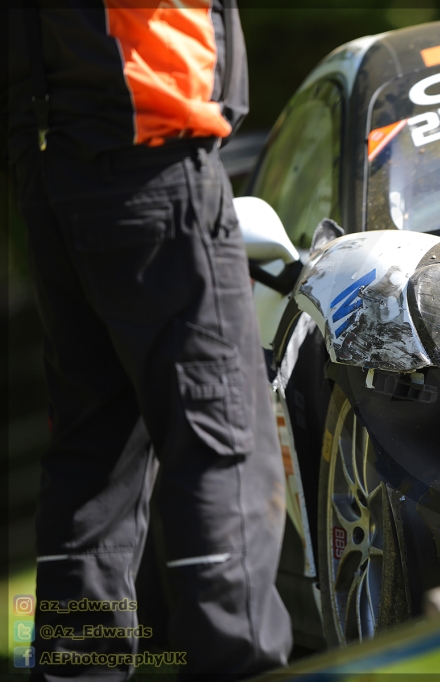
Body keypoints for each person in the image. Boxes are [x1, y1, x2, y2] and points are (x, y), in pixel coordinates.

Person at [7, 1, 292, 678]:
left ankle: (79, 671)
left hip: (54, 175)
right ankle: (240, 662)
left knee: (91, 459)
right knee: (218, 436)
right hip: (150, 153)